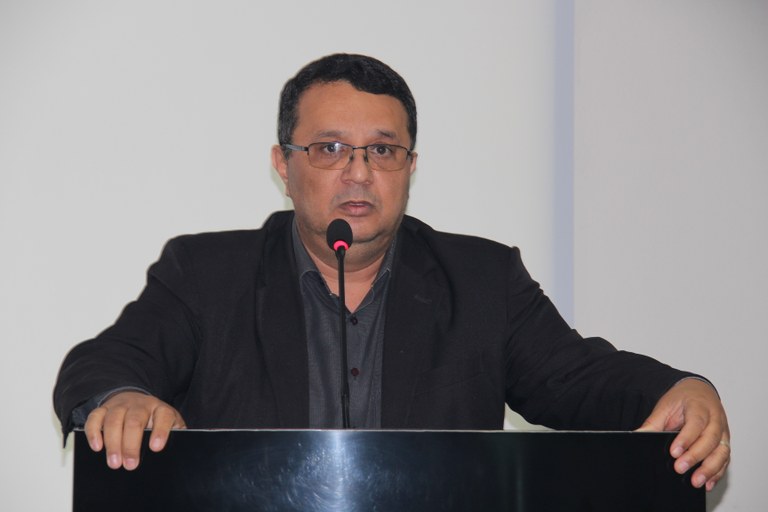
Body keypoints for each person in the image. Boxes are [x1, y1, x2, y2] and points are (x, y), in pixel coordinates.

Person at [53, 53, 730, 491]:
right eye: (330, 148)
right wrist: (122, 397)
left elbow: (582, 380)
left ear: (410, 167)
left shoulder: (483, 280)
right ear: (283, 165)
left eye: (383, 150)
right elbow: (102, 363)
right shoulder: (206, 274)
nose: (359, 172)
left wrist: (681, 388)